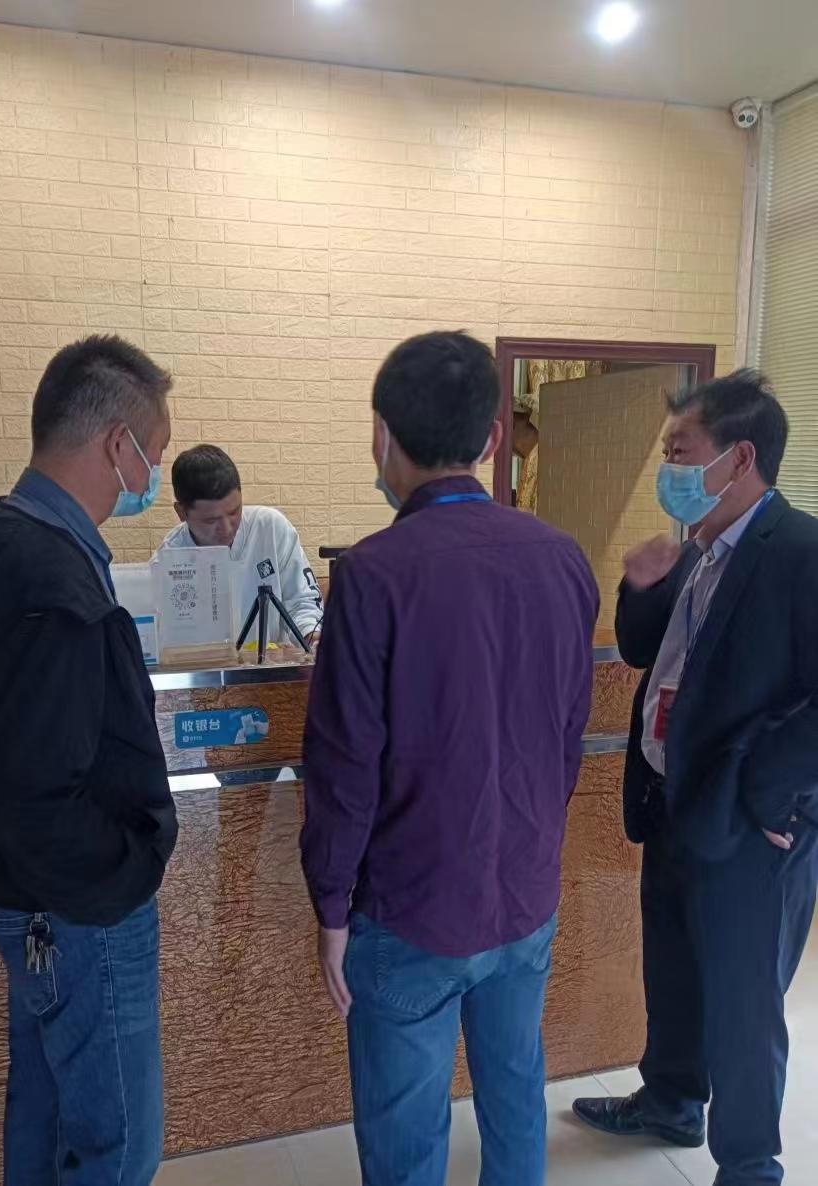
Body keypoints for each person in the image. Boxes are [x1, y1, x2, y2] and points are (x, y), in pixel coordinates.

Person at [300, 331, 599, 1186]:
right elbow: (566, 737)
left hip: (412, 909)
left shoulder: (373, 574)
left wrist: (330, 905)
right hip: (524, 894)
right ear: (494, 438)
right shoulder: (564, 558)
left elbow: (344, 765)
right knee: (516, 1096)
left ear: (381, 436)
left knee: (406, 1134)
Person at [0, 335, 178, 1186]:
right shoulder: (53, 584)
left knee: (49, 1106)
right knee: (118, 1145)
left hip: (31, 902)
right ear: (118, 445)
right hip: (77, 911)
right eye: (153, 455)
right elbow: (38, 792)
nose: (150, 480)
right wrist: (124, 871)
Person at [572, 371, 818, 1186]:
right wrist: (640, 587)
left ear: (740, 458)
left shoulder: (801, 551)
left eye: (681, 452)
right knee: (673, 968)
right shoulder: (700, 548)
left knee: (744, 1003)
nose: (668, 471)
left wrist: (769, 793)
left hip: (751, 824)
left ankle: (749, 1165)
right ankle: (672, 1098)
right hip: (674, 802)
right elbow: (651, 654)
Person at [156, 444, 322, 645]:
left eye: (234, 512)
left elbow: (302, 602)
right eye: (211, 520)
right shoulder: (169, 559)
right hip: (206, 664)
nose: (226, 528)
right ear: (181, 512)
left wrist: (312, 638)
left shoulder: (270, 528)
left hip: (270, 662)